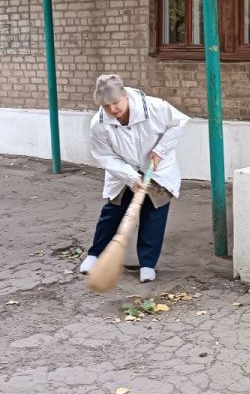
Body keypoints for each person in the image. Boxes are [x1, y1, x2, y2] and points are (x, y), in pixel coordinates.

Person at [79, 74, 189, 283]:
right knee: (113, 212)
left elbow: (180, 122)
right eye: (106, 105)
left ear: (124, 95)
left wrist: (160, 150)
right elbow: (105, 156)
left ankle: (147, 264)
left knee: (154, 214)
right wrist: (130, 177)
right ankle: (95, 254)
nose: (112, 110)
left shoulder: (154, 107)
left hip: (158, 169)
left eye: (115, 103)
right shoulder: (99, 124)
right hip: (123, 172)